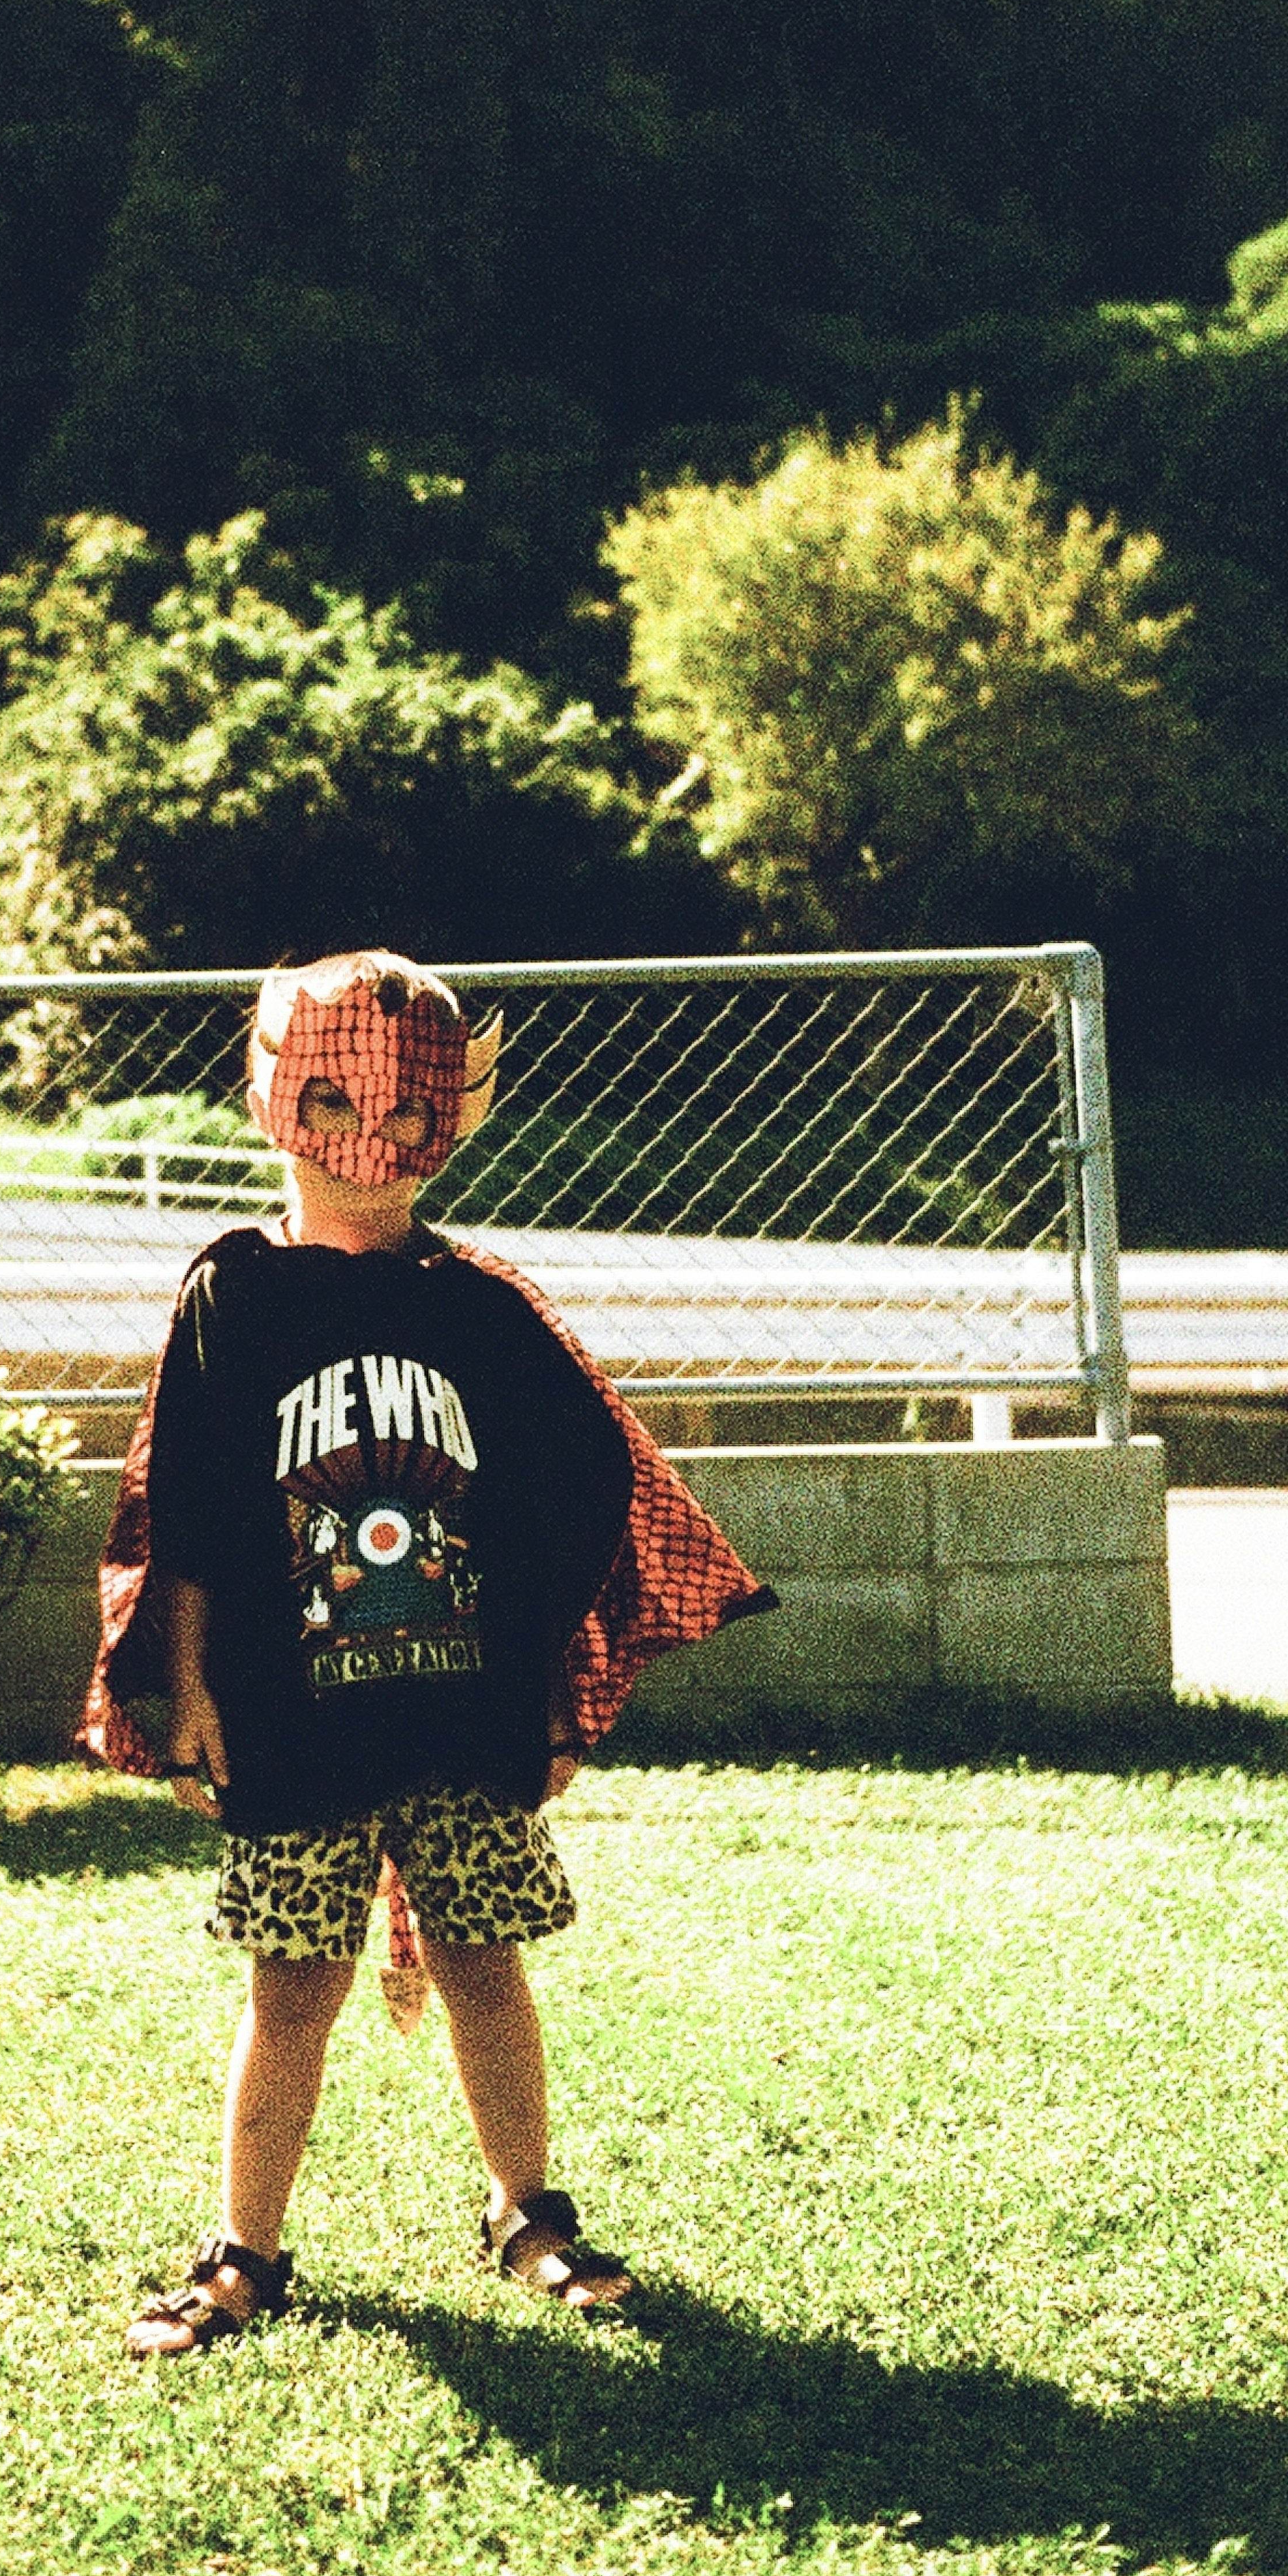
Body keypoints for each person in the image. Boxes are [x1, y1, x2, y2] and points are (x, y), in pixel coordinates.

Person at [80, 949, 773, 2356]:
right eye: (341, 1099)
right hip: (290, 1719)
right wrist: (195, 1690)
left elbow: (564, 1504)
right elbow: (197, 1512)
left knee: (484, 1961)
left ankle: (529, 2213)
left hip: (464, 1718)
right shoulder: (235, 1297)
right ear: (273, 1092)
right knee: (292, 1992)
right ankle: (246, 2253)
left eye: (415, 1116)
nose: (380, 1146)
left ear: (458, 1113)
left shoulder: (481, 1309)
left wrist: (559, 1698)